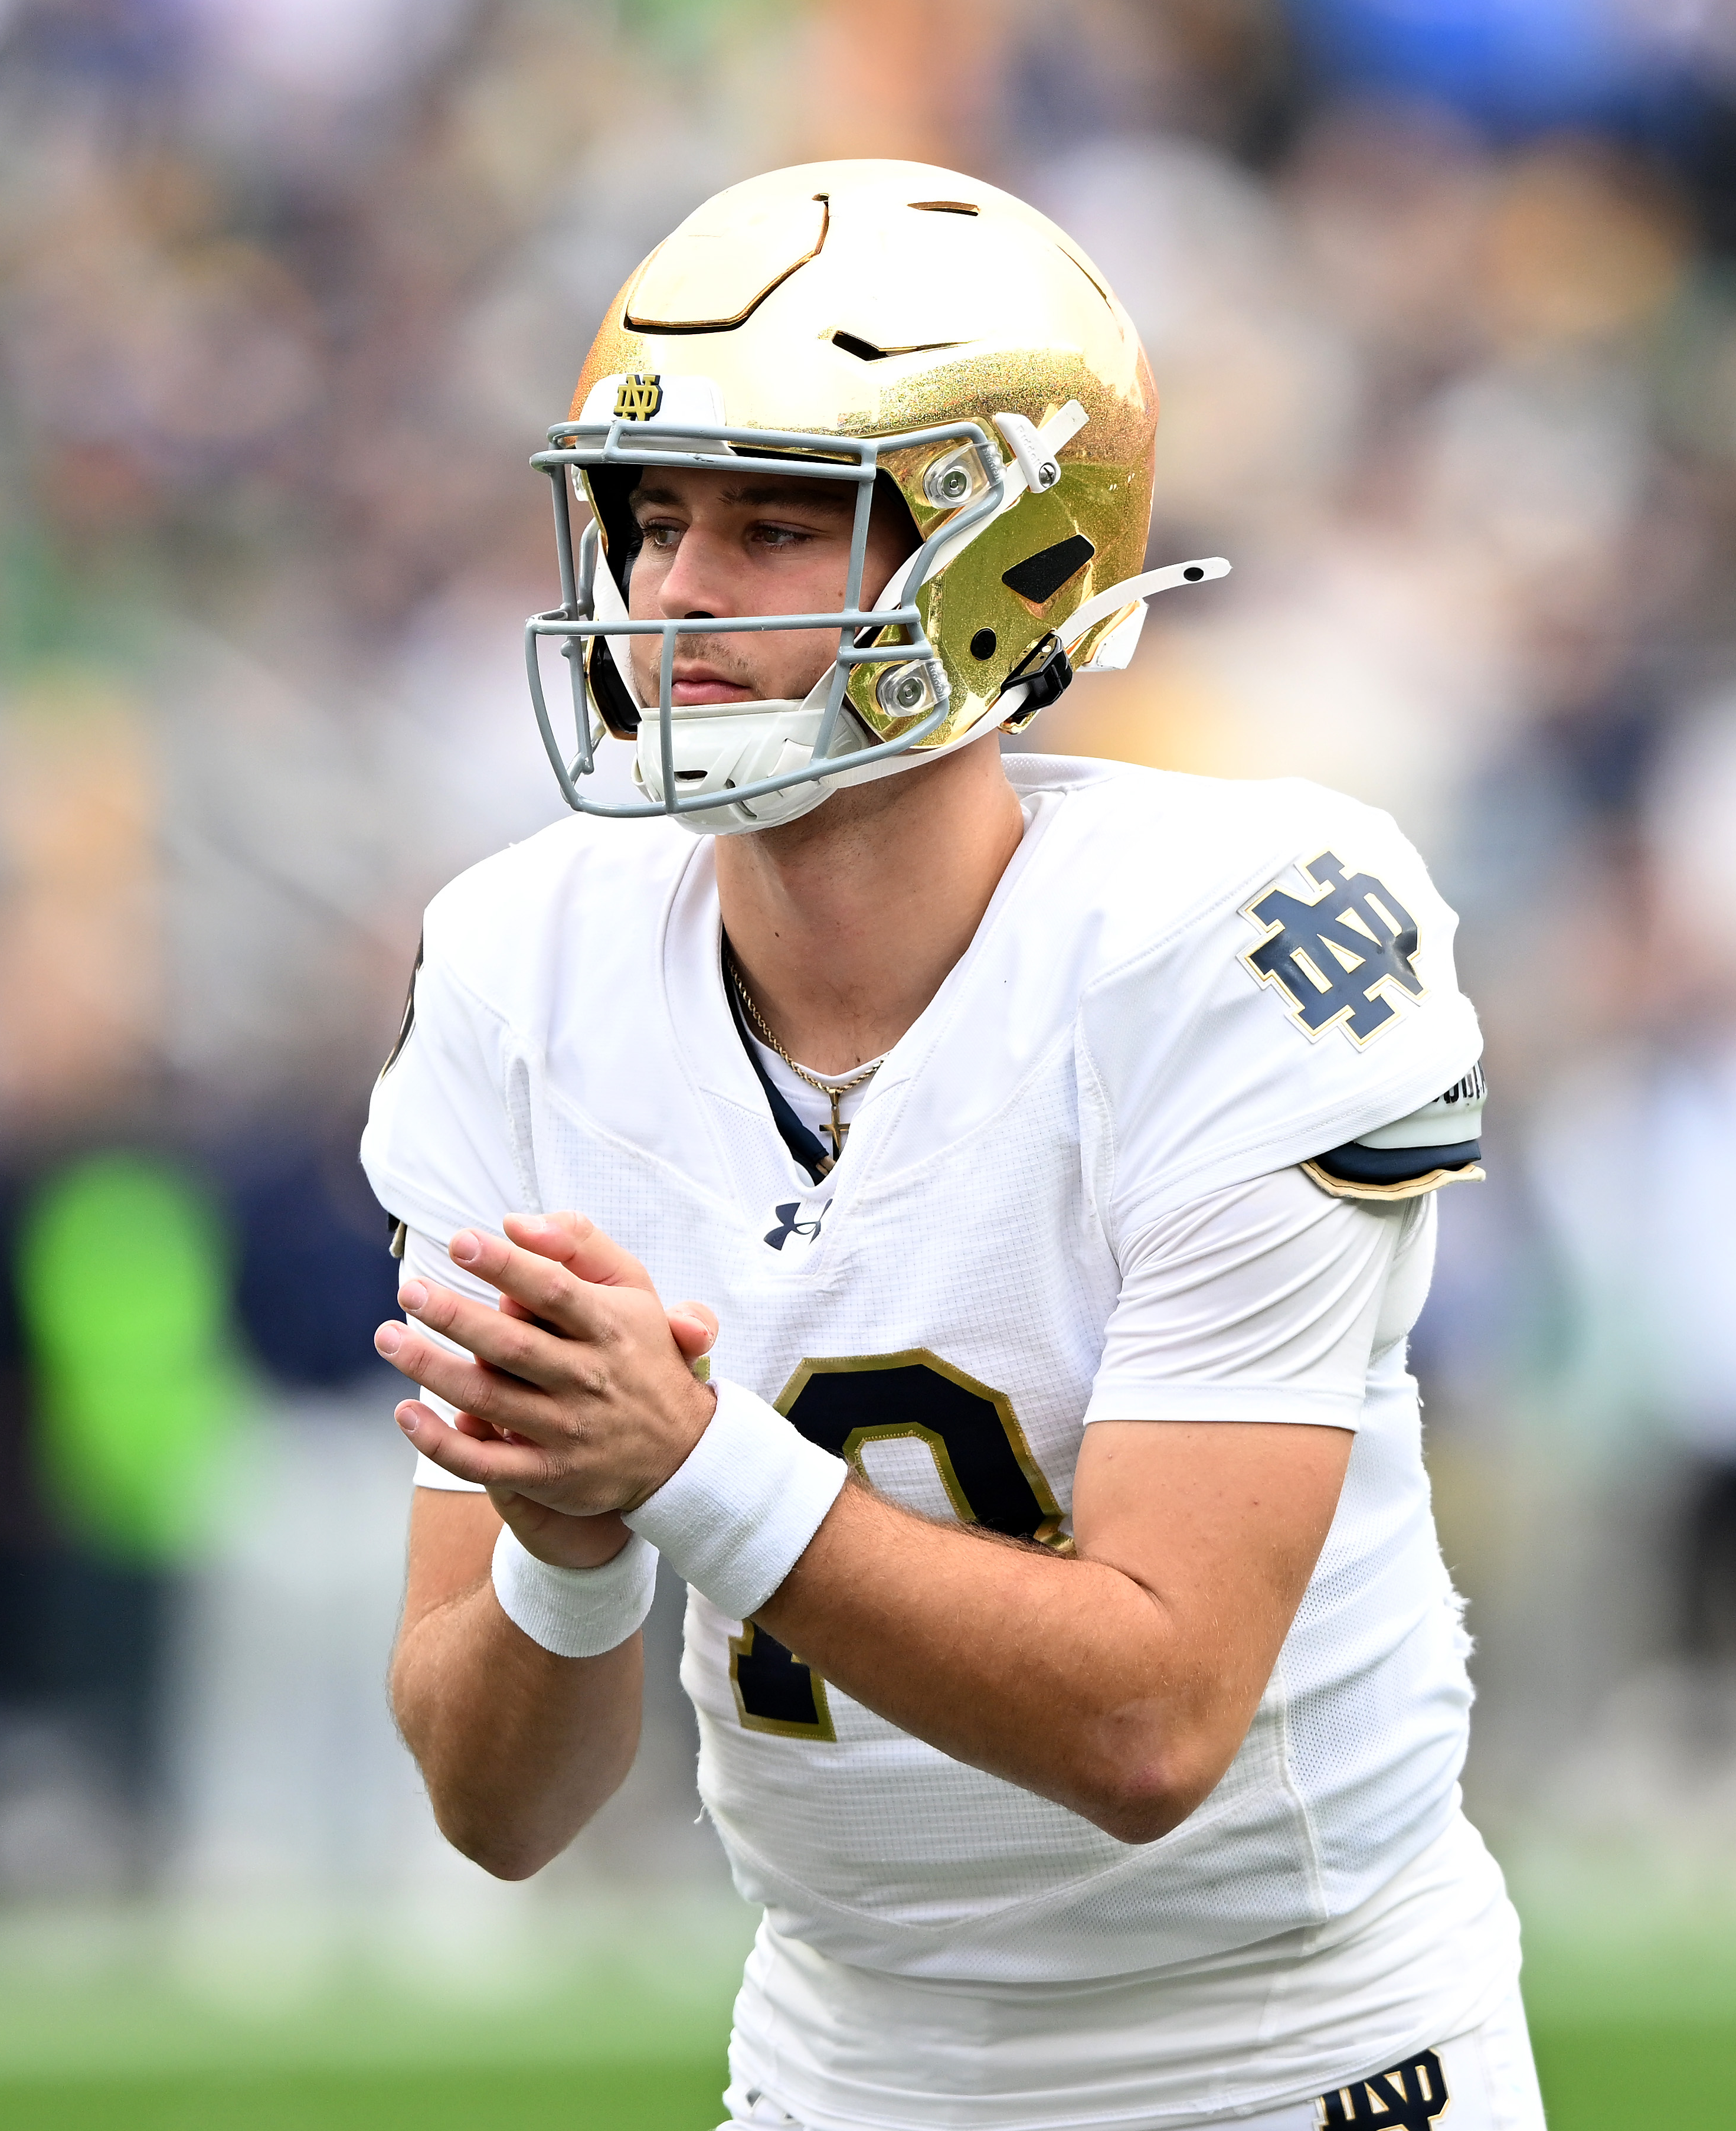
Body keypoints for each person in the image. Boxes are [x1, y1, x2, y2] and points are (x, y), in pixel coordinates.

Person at [367, 161, 1535, 2131]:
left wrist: (685, 1465)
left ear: (1000, 550)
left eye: (767, 522)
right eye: (654, 519)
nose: (670, 593)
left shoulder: (1227, 944)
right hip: (844, 2061)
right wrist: (569, 1558)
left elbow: (1155, 1723)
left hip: (1284, 2056)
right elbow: (496, 1811)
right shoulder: (519, 967)